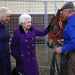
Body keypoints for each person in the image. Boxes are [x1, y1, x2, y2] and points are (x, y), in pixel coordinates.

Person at [55, 2, 75, 75]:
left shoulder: (71, 24)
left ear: (68, 11)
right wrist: (65, 41)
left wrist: (62, 49)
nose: (61, 14)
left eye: (62, 12)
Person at [0, 7, 12, 75]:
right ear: (2, 15)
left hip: (6, 56)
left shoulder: (4, 26)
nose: (9, 18)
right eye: (8, 16)